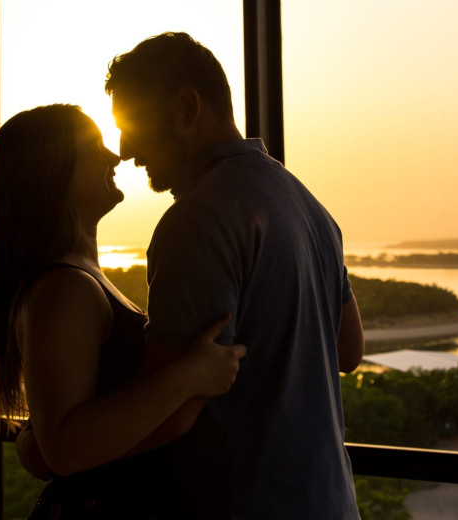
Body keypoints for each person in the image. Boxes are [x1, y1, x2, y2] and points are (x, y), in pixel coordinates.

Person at [105, 32, 365, 519]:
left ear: (186, 108)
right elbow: (349, 350)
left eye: (131, 124)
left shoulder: (196, 222)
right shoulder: (308, 205)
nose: (124, 150)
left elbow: (171, 413)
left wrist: (59, 451)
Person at [0, 104, 246, 519]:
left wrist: (40, 439)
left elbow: (56, 440)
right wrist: (190, 375)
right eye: (93, 146)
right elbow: (65, 448)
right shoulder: (64, 289)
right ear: (51, 171)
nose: (114, 156)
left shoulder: (78, 279)